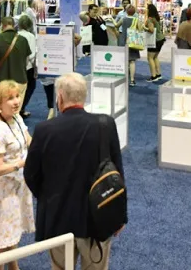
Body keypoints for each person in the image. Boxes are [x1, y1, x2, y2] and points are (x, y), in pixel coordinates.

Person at [24, 73, 125, 270]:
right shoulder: (105, 124)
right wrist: (120, 215)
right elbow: (117, 173)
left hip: (58, 218)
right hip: (97, 217)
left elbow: (31, 174)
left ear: (60, 97)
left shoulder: (44, 129)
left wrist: (48, 197)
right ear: (84, 96)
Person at [0, 80, 35, 267]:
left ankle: (14, 267)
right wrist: (22, 164)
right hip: (5, 190)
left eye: (17, 96)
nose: (16, 101)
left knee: (12, 230)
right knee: (2, 236)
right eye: (10, 98)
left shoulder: (17, 119)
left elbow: (29, 140)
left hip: (20, 184)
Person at [0, 17, 31, 98]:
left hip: (1, 82)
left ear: (2, 25)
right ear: (13, 25)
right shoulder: (23, 40)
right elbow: (26, 62)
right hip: (20, 81)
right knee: (16, 105)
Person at [17, 14, 38, 118]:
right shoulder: (31, 36)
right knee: (30, 87)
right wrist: (36, 69)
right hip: (28, 67)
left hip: (16, 66)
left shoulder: (16, 35)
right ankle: (21, 108)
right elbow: (32, 55)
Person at [117, 5, 142, 87]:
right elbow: (140, 30)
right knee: (132, 61)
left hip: (123, 41)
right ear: (134, 12)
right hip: (133, 42)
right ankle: (132, 80)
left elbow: (116, 26)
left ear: (126, 11)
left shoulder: (123, 19)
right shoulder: (136, 20)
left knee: (123, 60)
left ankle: (123, 79)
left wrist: (111, 20)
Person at [145, 4, 165, 82]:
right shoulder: (156, 18)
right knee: (155, 57)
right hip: (161, 39)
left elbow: (151, 30)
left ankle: (153, 76)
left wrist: (144, 28)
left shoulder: (150, 19)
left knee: (150, 58)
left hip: (154, 41)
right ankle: (158, 74)